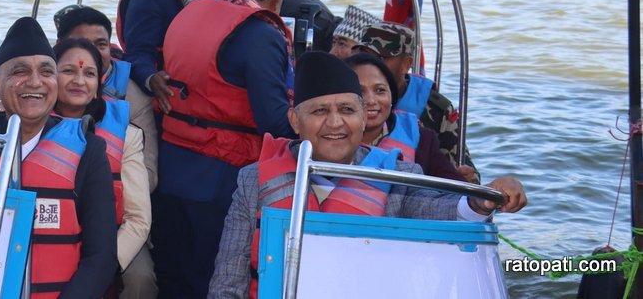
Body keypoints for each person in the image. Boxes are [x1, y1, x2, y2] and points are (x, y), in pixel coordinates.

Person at [208, 51, 527, 299]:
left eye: (347, 110)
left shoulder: (399, 176)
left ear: (364, 118)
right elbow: (227, 282)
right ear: (295, 120)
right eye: (320, 111)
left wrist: (482, 201)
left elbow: (442, 211)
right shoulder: (253, 180)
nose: (335, 124)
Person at [0, 17, 116, 299]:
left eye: (46, 71)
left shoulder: (88, 150)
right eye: (20, 71)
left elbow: (101, 257)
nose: (35, 82)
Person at [152, 0, 296, 298]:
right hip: (219, 179)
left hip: (169, 167)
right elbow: (273, 121)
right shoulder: (262, 34)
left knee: (173, 278)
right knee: (210, 279)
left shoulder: (195, 10)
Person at [53, 37, 156, 299]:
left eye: (89, 73)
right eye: (68, 71)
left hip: (114, 238)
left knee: (140, 280)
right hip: (50, 240)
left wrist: (101, 267)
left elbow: (138, 220)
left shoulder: (126, 135)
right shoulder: (31, 127)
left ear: (99, 83)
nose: (79, 81)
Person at [355, 23, 479, 180]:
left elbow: (464, 170)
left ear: (406, 64)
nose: (370, 64)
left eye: (381, 58)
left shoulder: (436, 110)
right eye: (365, 55)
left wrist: (468, 177)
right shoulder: (341, 97)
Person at [55, 4, 158, 191]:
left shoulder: (134, 98)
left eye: (100, 44)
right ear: (59, 44)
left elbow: (148, 176)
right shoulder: (41, 86)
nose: (91, 51)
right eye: (82, 42)